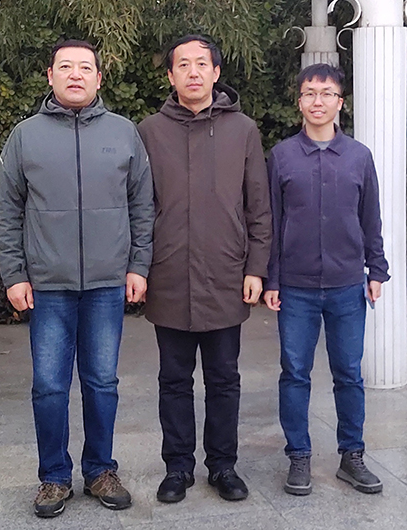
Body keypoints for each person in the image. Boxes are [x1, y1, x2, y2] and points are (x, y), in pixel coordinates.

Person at [0, 40, 154, 518]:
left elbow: (142, 206)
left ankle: (101, 469)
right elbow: (7, 211)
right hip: (47, 285)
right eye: (66, 67)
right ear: (50, 76)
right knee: (49, 386)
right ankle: (54, 477)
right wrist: (14, 274)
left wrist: (138, 265)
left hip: (107, 284)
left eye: (86, 67)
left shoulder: (123, 133)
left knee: (102, 382)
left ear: (99, 78)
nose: (76, 74)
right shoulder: (25, 136)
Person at [137, 34, 272, 504]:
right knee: (173, 380)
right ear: (170, 76)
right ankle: (177, 467)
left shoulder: (243, 130)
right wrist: (139, 267)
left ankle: (223, 466)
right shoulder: (149, 131)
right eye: (183, 65)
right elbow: (138, 206)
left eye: (201, 64)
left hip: (225, 274)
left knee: (224, 379)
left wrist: (256, 267)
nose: (193, 72)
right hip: (169, 274)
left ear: (216, 73)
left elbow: (258, 207)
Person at [263, 63, 389, 497]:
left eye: (327, 93)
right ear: (299, 102)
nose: (318, 102)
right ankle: (298, 456)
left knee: (349, 373)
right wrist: (271, 279)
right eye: (309, 94)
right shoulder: (282, 156)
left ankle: (352, 456)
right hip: (294, 287)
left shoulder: (359, 156)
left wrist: (377, 269)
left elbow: (370, 217)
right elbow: (271, 222)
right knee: (295, 372)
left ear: (340, 102)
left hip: (347, 284)